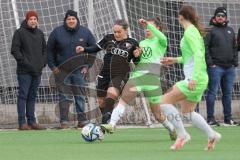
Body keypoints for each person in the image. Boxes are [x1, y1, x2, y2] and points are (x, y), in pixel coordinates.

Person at [100, 17, 177, 141]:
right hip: (138, 76)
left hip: (152, 80)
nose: (147, 29)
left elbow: (162, 37)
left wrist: (147, 24)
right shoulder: (141, 43)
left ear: (158, 28)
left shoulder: (161, 41)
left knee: (157, 114)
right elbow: (137, 62)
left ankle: (170, 128)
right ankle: (112, 124)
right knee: (123, 100)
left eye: (150, 27)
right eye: (146, 27)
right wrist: (137, 56)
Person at [156, 5, 221, 151]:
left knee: (163, 101)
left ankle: (182, 134)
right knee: (188, 112)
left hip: (195, 78)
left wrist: (194, 78)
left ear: (181, 17)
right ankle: (211, 134)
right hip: (199, 77)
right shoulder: (192, 31)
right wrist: (175, 60)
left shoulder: (190, 32)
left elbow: (198, 55)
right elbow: (190, 56)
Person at [76, 19, 140, 125]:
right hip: (104, 73)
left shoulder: (133, 43)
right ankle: (107, 118)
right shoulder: (108, 38)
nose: (116, 34)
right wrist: (84, 49)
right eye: (115, 32)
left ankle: (105, 124)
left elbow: (137, 62)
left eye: (119, 32)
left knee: (111, 95)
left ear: (126, 30)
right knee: (101, 102)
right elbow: (96, 47)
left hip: (120, 74)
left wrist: (137, 56)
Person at [47, 10, 96, 129]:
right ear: (65, 20)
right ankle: (64, 121)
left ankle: (82, 121)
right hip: (62, 71)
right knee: (64, 96)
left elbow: (93, 49)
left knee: (79, 96)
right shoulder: (57, 32)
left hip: (79, 71)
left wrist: (87, 65)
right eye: (68, 19)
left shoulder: (85, 32)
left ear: (77, 20)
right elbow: (49, 51)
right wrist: (53, 67)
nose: (71, 21)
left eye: (73, 19)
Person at [11, 10, 47, 130]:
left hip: (37, 71)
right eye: (31, 19)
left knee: (32, 96)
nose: (33, 21)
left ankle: (32, 121)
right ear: (27, 20)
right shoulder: (19, 32)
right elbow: (15, 51)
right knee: (23, 96)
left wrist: (42, 63)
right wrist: (27, 64)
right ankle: (22, 122)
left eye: (35, 19)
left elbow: (45, 50)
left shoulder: (40, 33)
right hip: (24, 72)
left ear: (37, 21)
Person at [205, 7, 238, 126]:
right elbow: (206, 48)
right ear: (214, 18)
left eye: (222, 16)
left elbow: (234, 48)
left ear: (226, 18)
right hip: (215, 67)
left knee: (228, 94)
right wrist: (210, 63)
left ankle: (228, 119)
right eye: (218, 15)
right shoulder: (210, 30)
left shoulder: (230, 30)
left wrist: (235, 62)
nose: (220, 17)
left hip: (229, 68)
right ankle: (210, 119)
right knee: (212, 92)